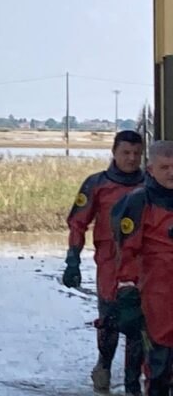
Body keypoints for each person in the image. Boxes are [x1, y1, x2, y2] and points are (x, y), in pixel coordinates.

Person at [66, 129, 145, 394]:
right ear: (114, 152)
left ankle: (133, 383)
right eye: (126, 153)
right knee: (109, 320)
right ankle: (104, 365)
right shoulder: (96, 184)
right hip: (109, 264)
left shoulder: (150, 186)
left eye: (136, 153)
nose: (131, 158)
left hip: (142, 265)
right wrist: (72, 259)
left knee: (137, 325)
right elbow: (78, 223)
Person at [114, 139, 173, 396]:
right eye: (165, 167)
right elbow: (127, 252)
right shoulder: (139, 202)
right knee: (159, 364)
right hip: (156, 294)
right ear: (150, 170)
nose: (172, 173)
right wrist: (127, 294)